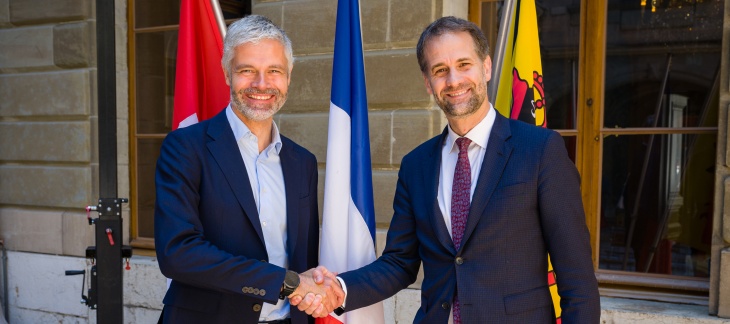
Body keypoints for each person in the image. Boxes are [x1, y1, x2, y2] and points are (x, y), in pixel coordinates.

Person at [302, 16, 600, 323]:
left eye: (464, 64)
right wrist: (340, 288)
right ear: (428, 83)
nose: (454, 80)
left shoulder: (539, 150)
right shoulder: (416, 165)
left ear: (486, 67)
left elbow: (577, 281)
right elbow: (399, 262)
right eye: (440, 70)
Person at [154, 15, 342, 324]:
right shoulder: (185, 148)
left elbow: (301, 258)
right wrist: (287, 282)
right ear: (227, 73)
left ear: (289, 76)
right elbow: (179, 253)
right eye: (247, 71)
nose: (261, 84)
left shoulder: (302, 162)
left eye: (274, 71)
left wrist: (313, 283)